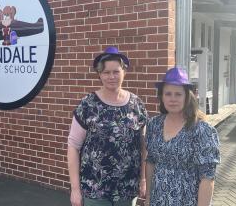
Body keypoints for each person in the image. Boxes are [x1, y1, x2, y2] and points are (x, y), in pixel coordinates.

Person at [67, 46, 148, 206]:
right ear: (99, 74)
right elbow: (73, 146)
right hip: (94, 190)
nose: (111, 76)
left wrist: (143, 179)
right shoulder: (88, 104)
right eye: (106, 72)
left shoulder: (136, 104)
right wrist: (75, 189)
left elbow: (144, 146)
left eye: (116, 71)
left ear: (124, 72)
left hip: (127, 189)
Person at [145, 67, 220, 206]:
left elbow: (208, 177)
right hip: (157, 200)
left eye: (178, 94)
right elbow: (150, 162)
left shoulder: (202, 130)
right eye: (168, 94)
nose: (172, 99)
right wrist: (148, 197)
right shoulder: (154, 125)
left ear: (187, 97)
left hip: (187, 201)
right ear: (161, 96)